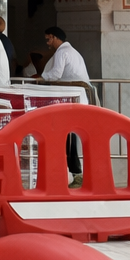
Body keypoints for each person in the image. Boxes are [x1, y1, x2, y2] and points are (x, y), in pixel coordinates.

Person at [40, 26, 91, 186]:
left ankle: (75, 173)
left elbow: (56, 74)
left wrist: (41, 77)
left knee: (69, 137)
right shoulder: (73, 52)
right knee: (70, 136)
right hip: (76, 98)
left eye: (48, 39)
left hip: (72, 99)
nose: (48, 43)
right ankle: (74, 173)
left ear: (55, 37)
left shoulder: (62, 52)